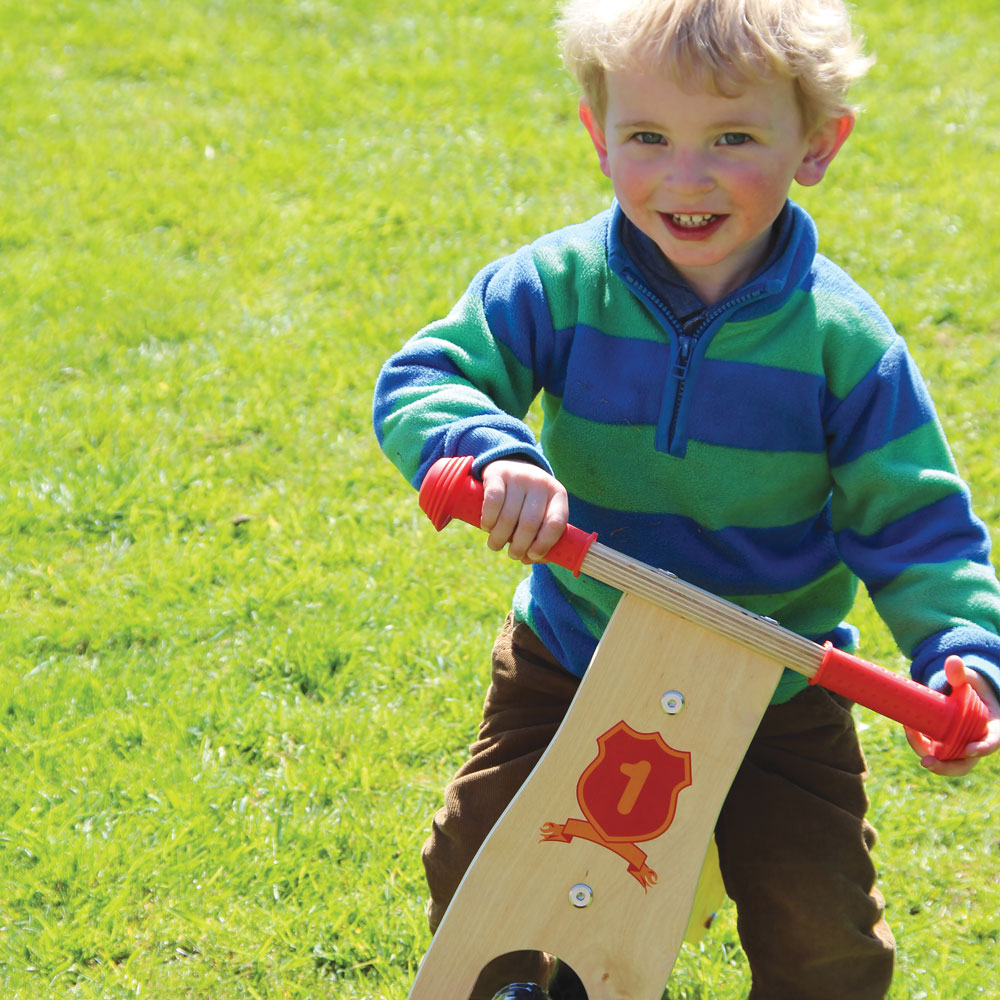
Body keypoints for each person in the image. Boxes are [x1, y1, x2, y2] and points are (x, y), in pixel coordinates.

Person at [373, 1, 1000, 997]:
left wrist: (962, 653)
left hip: (775, 686)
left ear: (817, 144)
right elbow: (427, 374)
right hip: (576, 650)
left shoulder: (844, 343)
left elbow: (915, 520)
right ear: (597, 135)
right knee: (478, 852)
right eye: (649, 138)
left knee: (823, 934)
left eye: (733, 138)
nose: (686, 176)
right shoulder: (558, 285)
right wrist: (489, 455)